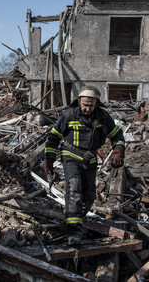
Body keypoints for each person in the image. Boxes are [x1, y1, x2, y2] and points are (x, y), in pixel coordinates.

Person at [42, 86, 125, 245]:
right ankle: (73, 232)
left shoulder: (103, 117)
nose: (87, 109)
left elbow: (117, 135)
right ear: (79, 101)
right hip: (70, 155)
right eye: (84, 105)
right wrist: (49, 159)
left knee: (89, 196)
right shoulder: (68, 115)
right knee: (74, 189)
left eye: (90, 106)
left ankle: (76, 219)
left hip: (90, 159)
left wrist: (118, 152)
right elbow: (53, 137)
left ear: (96, 104)